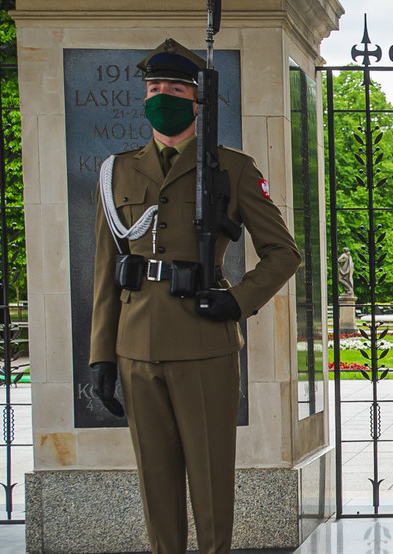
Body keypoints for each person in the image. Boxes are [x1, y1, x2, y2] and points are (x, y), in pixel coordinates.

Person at [89, 38, 300, 554]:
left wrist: (238, 300)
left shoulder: (233, 168)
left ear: (196, 99)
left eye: (176, 88)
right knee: (155, 484)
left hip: (204, 343)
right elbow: (105, 271)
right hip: (136, 345)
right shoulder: (117, 170)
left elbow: (282, 252)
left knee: (209, 481)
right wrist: (101, 357)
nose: (163, 95)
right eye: (154, 87)